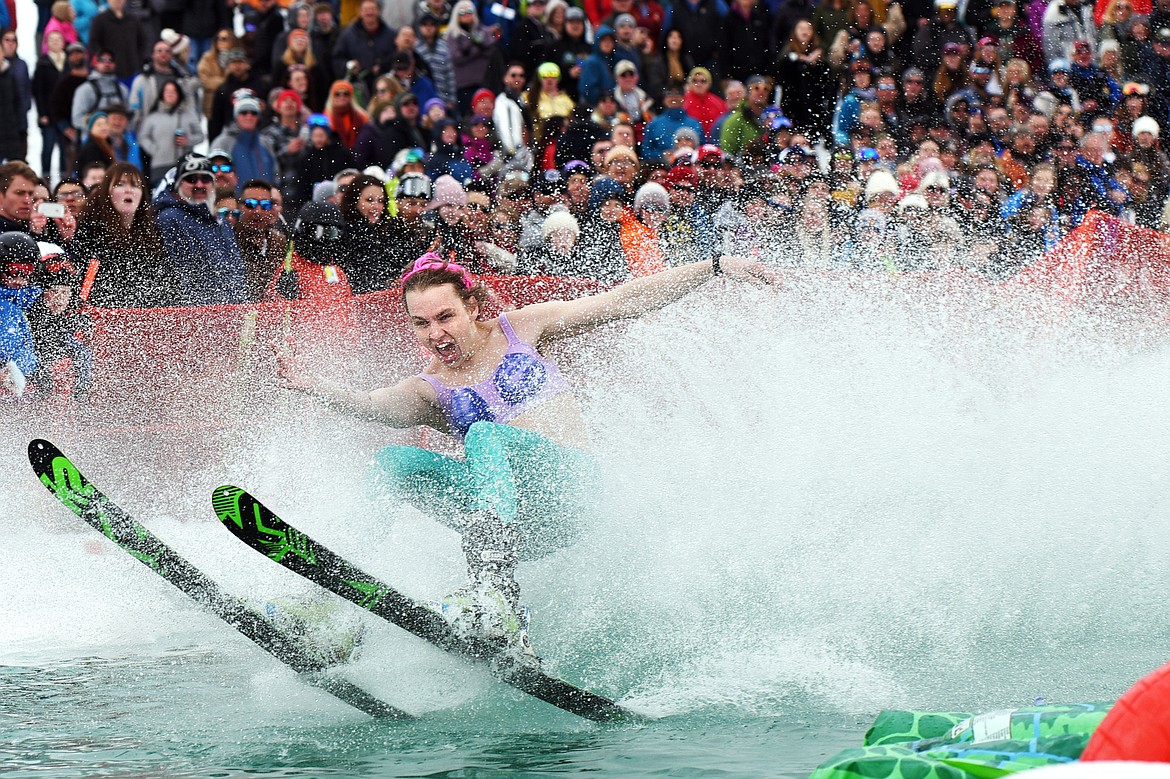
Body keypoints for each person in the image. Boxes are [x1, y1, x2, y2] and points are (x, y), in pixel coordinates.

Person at [274, 251, 768, 651]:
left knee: (484, 435)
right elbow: (371, 405)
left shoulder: (522, 329)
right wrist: (314, 386)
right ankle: (329, 608)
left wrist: (715, 266)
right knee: (393, 463)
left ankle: (495, 600)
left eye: (446, 316)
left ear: (474, 307)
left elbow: (624, 301)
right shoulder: (429, 390)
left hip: (571, 494)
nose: (436, 334)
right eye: (421, 324)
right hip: (518, 529)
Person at [72, 161, 178, 308]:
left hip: (147, 319)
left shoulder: (152, 233)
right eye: (120, 184)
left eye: (135, 185)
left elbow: (169, 284)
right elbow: (86, 283)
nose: (129, 191)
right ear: (107, 192)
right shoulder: (91, 230)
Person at [154, 153, 247, 305]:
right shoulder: (169, 218)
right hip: (197, 315)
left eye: (205, 179)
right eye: (191, 179)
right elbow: (182, 276)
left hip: (230, 314)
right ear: (178, 184)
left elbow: (236, 272)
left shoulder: (220, 221)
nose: (199, 185)